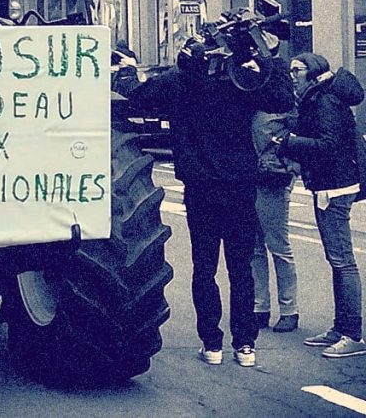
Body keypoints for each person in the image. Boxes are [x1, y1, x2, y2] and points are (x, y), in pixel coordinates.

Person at [126, 38, 293, 367]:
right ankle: (245, 345)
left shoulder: (180, 83)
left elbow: (138, 97)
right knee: (241, 268)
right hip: (241, 185)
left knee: (204, 268)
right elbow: (282, 98)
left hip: (201, 186)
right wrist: (265, 58)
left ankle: (211, 344)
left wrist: (128, 71)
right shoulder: (240, 82)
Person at [279, 52, 366, 358]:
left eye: (297, 70)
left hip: (335, 186)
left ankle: (352, 334)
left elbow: (328, 145)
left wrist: (288, 142)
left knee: (343, 261)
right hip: (329, 183)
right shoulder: (319, 97)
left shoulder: (325, 101)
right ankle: (340, 329)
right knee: (336, 259)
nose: (292, 75)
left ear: (313, 72)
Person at [250, 49, 300, 333]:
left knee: (278, 246)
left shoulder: (283, 109)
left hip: (271, 180)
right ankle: (261, 307)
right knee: (256, 247)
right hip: (254, 178)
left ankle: (288, 309)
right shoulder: (260, 106)